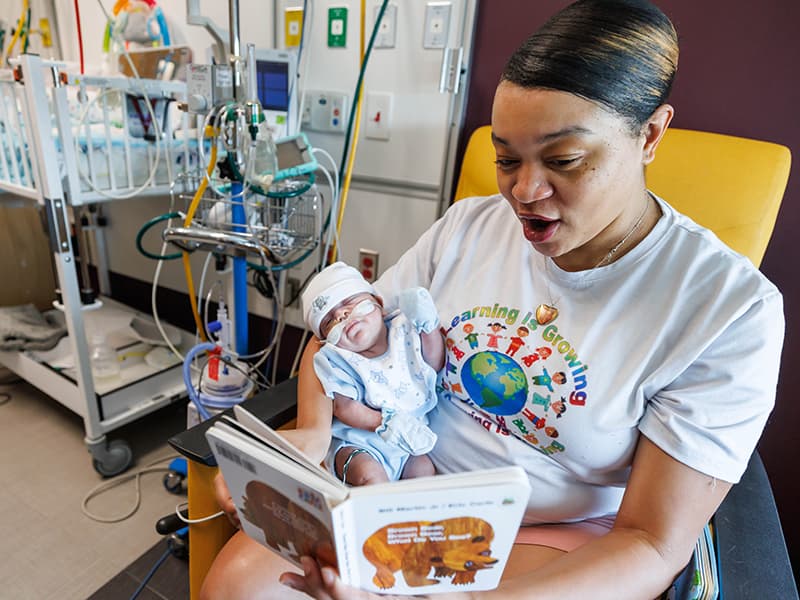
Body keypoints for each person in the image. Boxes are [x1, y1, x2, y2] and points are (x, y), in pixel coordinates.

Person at [201, 0, 785, 598]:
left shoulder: (726, 310)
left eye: (563, 160)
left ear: (650, 135)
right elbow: (342, 336)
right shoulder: (469, 228)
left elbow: (653, 542)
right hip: (399, 478)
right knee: (241, 586)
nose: (524, 191)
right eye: (506, 159)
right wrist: (312, 438)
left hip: (551, 529)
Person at [298, 261, 444, 486]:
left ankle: (413, 518)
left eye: (348, 302)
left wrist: (428, 327)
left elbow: (433, 363)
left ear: (379, 304)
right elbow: (344, 408)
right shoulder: (337, 361)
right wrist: (384, 422)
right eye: (329, 321)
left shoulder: (404, 330)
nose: (342, 314)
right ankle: (378, 516)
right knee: (371, 476)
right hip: (359, 443)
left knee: (424, 472)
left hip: (407, 446)